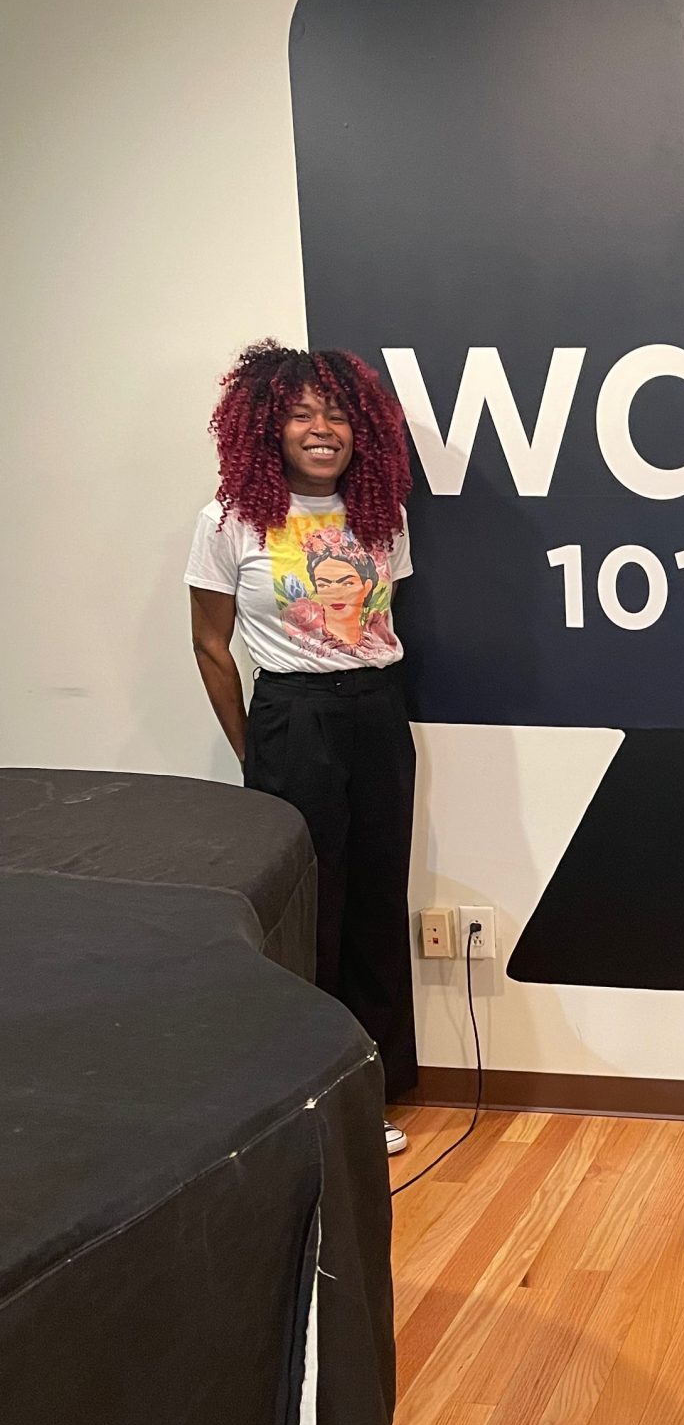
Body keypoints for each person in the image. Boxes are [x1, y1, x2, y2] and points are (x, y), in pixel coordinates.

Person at [186, 341, 418, 1157]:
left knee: (378, 901)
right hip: (294, 716)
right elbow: (212, 647)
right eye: (301, 414)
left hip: (379, 714)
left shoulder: (380, 513)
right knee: (309, 915)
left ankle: (373, 1091)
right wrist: (260, 752)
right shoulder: (230, 521)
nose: (323, 428)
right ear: (266, 428)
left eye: (337, 413)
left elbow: (383, 620)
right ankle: (305, 1096)